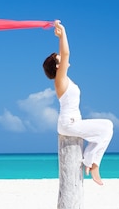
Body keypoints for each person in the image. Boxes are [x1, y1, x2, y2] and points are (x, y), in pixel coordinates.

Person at [42, 20, 113, 185]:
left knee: (105, 130)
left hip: (73, 122)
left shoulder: (66, 80)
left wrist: (59, 35)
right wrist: (63, 33)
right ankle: (92, 163)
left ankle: (91, 161)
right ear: (58, 66)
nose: (65, 60)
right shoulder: (60, 80)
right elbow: (66, 53)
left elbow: (64, 55)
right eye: (61, 60)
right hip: (69, 123)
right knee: (106, 127)